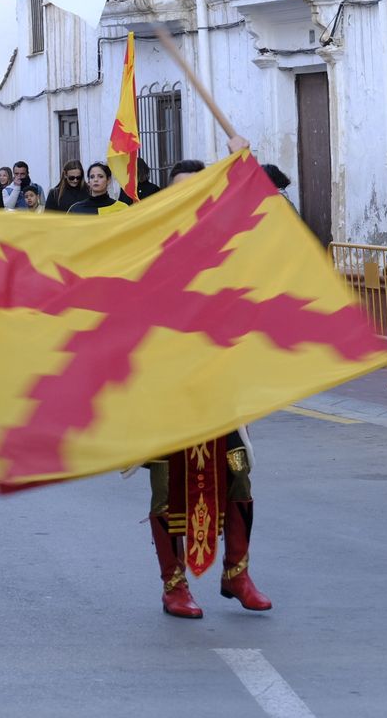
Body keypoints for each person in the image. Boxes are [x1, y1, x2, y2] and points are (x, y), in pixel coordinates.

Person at [141, 139, 269, 619]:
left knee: (238, 475)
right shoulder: (147, 246)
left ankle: (237, 572)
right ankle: (174, 585)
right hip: (164, 389)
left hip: (219, 387)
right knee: (165, 486)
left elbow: (262, 218)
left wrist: (242, 164)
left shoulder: (226, 244)